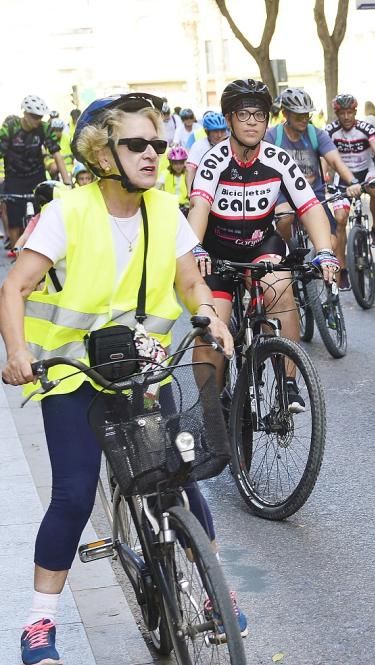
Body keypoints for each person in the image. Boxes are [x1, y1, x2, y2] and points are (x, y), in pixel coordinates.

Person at [0, 92, 243, 665]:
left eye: (157, 144)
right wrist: (16, 352)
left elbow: (189, 281)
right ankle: (40, 622)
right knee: (75, 495)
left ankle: (215, 591)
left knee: (180, 478)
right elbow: (15, 287)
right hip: (71, 374)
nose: (152, 154)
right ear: (102, 154)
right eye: (136, 144)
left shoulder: (166, 209)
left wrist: (206, 311)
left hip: (140, 368)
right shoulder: (68, 211)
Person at [187, 78, 340, 409]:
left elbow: (310, 206)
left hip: (260, 242)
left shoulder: (278, 158)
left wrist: (325, 251)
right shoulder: (214, 161)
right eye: (243, 114)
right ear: (228, 120)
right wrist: (196, 248)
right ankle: (211, 408)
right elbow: (199, 206)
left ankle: (287, 385)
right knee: (212, 328)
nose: (253, 121)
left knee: (280, 289)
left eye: (259, 115)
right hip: (217, 250)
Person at [265, 88, 359, 291]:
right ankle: (289, 250)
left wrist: (351, 182)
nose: (304, 119)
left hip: (312, 195)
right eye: (299, 115)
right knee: (285, 217)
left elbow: (335, 159)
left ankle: (328, 296)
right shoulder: (273, 137)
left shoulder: (316, 135)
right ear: (285, 114)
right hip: (284, 194)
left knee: (331, 244)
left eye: (307, 114)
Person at [0, 96, 72, 252]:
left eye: (40, 117)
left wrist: (67, 181)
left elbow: (56, 154)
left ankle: (41, 250)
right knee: (14, 219)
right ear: (24, 114)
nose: (37, 120)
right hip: (14, 177)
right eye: (34, 116)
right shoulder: (10, 127)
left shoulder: (44, 128)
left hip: (36, 175)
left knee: (43, 216)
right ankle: (15, 251)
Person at [325, 93, 375, 248]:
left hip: (366, 172)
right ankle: (343, 264)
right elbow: (324, 156)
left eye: (350, 112)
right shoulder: (330, 130)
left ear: (355, 112)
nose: (346, 117)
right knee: (340, 218)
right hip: (343, 178)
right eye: (342, 113)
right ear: (337, 114)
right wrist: (324, 177)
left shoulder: (366, 128)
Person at [184, 110, 229, 193]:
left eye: (222, 130)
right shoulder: (199, 145)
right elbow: (190, 170)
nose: (219, 135)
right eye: (215, 131)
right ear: (207, 131)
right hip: (205, 187)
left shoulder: (231, 144)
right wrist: (190, 193)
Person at [160, 145, 190, 212]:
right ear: (171, 163)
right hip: (169, 207)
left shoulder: (188, 174)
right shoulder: (165, 174)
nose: (178, 166)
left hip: (185, 207)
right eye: (175, 163)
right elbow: (157, 187)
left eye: (181, 163)